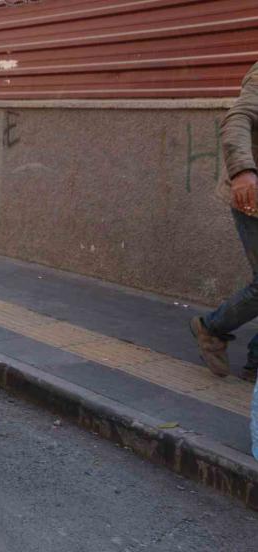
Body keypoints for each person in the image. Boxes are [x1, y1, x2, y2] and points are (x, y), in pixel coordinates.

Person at [190, 61, 258, 458]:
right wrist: (244, 171)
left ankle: (253, 359)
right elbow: (237, 118)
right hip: (250, 193)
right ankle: (210, 327)